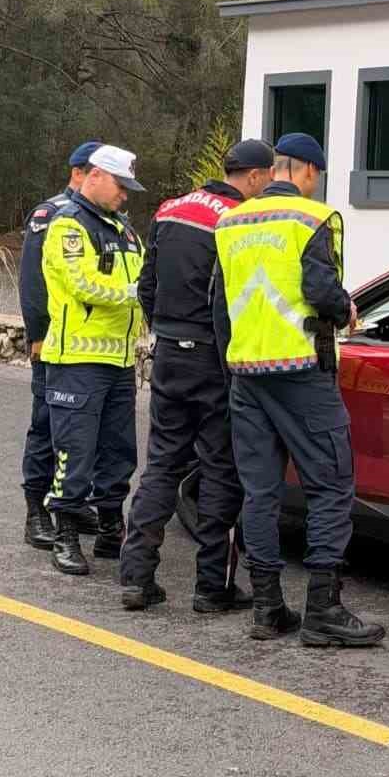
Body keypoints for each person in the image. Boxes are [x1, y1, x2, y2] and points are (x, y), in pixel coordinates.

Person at [212, 132, 385, 648]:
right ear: (308, 171)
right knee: (331, 484)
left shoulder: (229, 221)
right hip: (301, 371)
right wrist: (346, 307)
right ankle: (323, 608)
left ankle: (267, 607)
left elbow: (219, 305)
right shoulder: (314, 218)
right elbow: (319, 289)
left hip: (247, 373)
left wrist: (234, 366)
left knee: (260, 492)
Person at [119, 139, 276, 614]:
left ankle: (136, 577)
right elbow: (240, 300)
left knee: (162, 464)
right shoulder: (238, 220)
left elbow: (147, 286)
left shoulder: (170, 209)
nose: (269, 186)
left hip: (168, 352)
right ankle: (212, 586)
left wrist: (167, 331)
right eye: (268, 177)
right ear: (252, 176)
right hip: (214, 359)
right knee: (220, 470)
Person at [40, 144, 146, 576]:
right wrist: (133, 294)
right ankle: (64, 530)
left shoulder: (124, 229)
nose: (126, 195)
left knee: (119, 451)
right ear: (97, 176)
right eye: (121, 185)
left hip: (119, 361)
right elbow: (82, 283)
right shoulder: (68, 225)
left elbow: (145, 275)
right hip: (77, 360)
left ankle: (109, 527)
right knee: (76, 450)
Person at [18, 140, 102, 550]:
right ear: (78, 173)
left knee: (81, 432)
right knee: (47, 424)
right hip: (53, 342)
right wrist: (37, 334)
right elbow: (33, 284)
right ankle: (36, 509)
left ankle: (70, 501)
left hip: (86, 348)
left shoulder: (101, 218)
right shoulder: (49, 215)